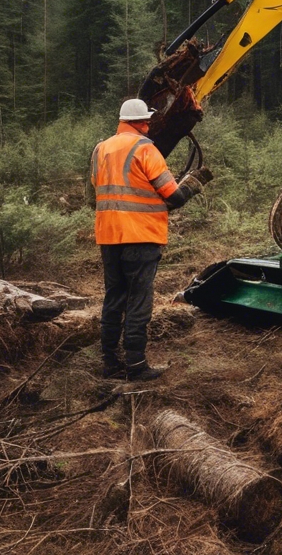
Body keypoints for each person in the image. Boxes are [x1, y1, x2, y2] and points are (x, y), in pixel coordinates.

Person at [90, 98, 211, 381]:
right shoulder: (146, 149)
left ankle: (109, 361)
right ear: (138, 122)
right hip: (140, 235)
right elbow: (174, 196)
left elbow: (97, 190)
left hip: (108, 235)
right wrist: (194, 184)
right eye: (146, 120)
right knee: (139, 300)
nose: (149, 124)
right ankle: (136, 364)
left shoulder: (100, 150)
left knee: (114, 297)